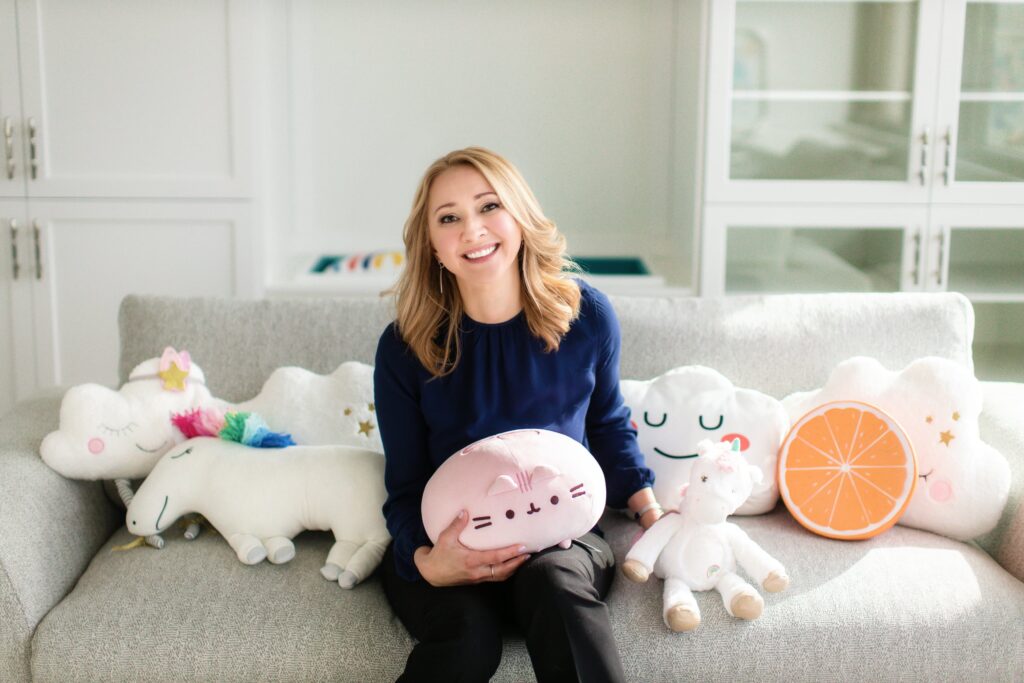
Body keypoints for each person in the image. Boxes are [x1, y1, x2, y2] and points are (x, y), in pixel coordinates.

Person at [373, 146, 664, 683]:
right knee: (467, 641)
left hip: (561, 537)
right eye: (449, 218)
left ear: (519, 218)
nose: (472, 230)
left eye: (489, 207)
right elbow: (405, 483)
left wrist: (652, 511)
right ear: (432, 245)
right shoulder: (404, 348)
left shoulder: (586, 317)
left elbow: (605, 424)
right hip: (447, 547)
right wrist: (428, 561)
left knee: (553, 585)